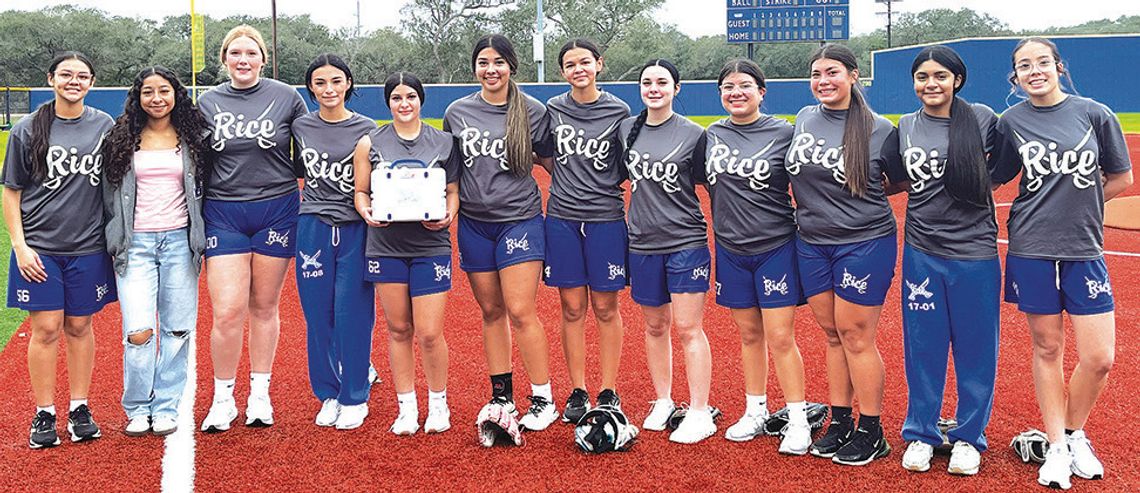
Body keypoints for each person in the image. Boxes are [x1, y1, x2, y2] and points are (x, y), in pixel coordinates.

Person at [990, 37, 1133, 490]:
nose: (1035, 71)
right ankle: (1055, 446)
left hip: (1084, 249)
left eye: (1043, 62)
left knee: (1099, 358)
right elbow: (994, 175)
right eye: (1024, 66)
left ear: (1058, 67)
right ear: (1015, 77)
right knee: (1047, 349)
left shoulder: (1094, 113)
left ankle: (1073, 434)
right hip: (1032, 246)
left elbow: (1121, 177)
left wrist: (1082, 207)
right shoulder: (1009, 122)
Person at [785, 44, 904, 465]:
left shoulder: (880, 128)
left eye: (832, 72)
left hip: (864, 241)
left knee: (856, 334)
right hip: (813, 242)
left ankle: (872, 429)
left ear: (853, 75)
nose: (823, 81)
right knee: (832, 334)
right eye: (816, 74)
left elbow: (897, 181)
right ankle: (839, 421)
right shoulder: (803, 118)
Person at [889, 46, 1000, 476]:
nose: (930, 84)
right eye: (922, 77)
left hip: (975, 251)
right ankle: (921, 432)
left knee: (976, 348)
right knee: (924, 345)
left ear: (957, 80)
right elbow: (897, 178)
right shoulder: (906, 126)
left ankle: (969, 437)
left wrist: (975, 187)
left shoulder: (984, 119)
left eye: (939, 75)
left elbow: (1004, 165)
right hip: (922, 250)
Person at [442, 34, 557, 432]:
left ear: (512, 66)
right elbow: (450, 171)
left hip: (519, 219)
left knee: (522, 310)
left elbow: (551, 162)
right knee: (491, 311)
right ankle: (501, 393)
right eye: (483, 62)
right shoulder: (458, 112)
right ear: (474, 67)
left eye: (499, 62)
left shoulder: (532, 111)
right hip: (475, 223)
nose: (491, 70)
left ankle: (543, 397)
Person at [198, 24, 308, 432]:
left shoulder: (286, 97)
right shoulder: (207, 102)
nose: (243, 60)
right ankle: (223, 398)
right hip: (224, 212)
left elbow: (311, 146)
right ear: (224, 59)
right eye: (235, 54)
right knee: (227, 311)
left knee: (264, 305)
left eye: (251, 53)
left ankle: (260, 394)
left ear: (263, 58)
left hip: (276, 208)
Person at [3, 51, 116, 448]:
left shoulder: (104, 125)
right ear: (50, 78)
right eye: (66, 74)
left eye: (82, 75)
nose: (74, 81)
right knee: (46, 328)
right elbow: (11, 190)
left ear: (91, 83)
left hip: (88, 246)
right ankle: (44, 412)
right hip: (41, 248)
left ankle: (80, 407)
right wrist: (20, 245)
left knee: (80, 326)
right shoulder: (28, 128)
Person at [705, 59, 810, 453]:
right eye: (728, 86)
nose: (736, 92)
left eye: (745, 85)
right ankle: (756, 410)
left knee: (781, 336)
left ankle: (797, 417)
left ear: (761, 92)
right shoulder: (712, 134)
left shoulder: (784, 132)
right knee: (749, 335)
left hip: (775, 247)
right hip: (731, 248)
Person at [103, 66, 211, 438]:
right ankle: (136, 406)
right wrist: (114, 236)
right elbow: (106, 196)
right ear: (138, 97)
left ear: (176, 94)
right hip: (136, 246)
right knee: (138, 331)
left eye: (164, 90)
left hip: (180, 242)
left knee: (178, 330)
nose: (157, 98)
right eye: (148, 92)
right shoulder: (120, 139)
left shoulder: (194, 138)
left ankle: (165, 406)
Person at [354, 72, 461, 435]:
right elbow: (361, 192)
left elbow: (452, 191)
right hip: (385, 246)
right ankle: (406, 407)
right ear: (388, 102)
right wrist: (367, 211)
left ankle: (438, 403)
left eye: (411, 97)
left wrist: (449, 213)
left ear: (421, 100)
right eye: (397, 97)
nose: (404, 103)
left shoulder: (444, 142)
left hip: (430, 245)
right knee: (399, 328)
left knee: (430, 332)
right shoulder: (370, 142)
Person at [619, 59, 714, 444]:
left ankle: (700, 410)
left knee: (689, 328)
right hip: (642, 242)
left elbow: (714, 186)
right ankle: (663, 400)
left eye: (662, 82)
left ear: (677, 88)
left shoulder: (694, 134)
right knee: (655, 326)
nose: (653, 88)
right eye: (646, 82)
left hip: (685, 242)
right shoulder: (628, 129)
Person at [541, 38, 631, 422]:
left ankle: (608, 389)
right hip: (562, 217)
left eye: (585, 62)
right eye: (570, 64)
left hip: (606, 218)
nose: (578, 69)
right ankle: (578, 389)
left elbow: (627, 162)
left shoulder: (619, 110)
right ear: (562, 72)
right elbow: (544, 155)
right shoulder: (553, 109)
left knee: (606, 307)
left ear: (599, 64)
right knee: (572, 307)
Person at [292, 54, 377, 430]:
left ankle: (355, 395)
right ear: (311, 87)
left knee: (352, 314)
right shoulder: (300, 126)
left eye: (336, 81)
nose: (329, 89)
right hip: (312, 225)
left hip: (356, 226)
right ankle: (327, 392)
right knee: (318, 315)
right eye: (321, 83)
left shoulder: (367, 128)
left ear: (348, 85)